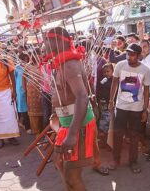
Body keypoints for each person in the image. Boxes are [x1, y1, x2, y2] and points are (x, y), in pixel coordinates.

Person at [44, 27, 96, 191]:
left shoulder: (69, 65)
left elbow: (82, 96)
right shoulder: (61, 63)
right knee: (59, 162)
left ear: (58, 41)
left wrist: (73, 134)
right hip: (67, 122)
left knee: (72, 176)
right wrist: (55, 113)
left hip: (78, 125)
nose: (44, 43)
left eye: (47, 39)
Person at [108, 43, 150, 173]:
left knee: (134, 135)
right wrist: (111, 101)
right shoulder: (120, 65)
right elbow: (114, 84)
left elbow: (146, 91)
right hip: (121, 107)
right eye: (127, 54)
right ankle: (116, 160)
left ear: (138, 56)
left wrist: (145, 110)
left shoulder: (145, 70)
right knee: (118, 134)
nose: (128, 57)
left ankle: (133, 161)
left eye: (132, 55)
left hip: (136, 108)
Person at [25, 50, 43, 136]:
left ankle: (42, 131)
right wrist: (25, 89)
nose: (38, 56)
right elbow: (23, 78)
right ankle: (36, 131)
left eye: (39, 54)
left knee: (42, 111)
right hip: (31, 91)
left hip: (41, 90)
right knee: (33, 111)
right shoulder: (28, 66)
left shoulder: (43, 64)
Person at [96, 63, 114, 149]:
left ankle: (109, 144)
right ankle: (103, 142)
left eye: (108, 71)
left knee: (108, 123)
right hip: (102, 105)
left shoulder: (114, 81)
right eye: (104, 72)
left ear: (112, 71)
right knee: (102, 124)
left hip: (110, 105)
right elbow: (99, 90)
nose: (106, 73)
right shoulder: (103, 80)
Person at [15, 53, 31, 133]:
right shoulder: (17, 68)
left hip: (29, 89)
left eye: (27, 59)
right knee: (23, 107)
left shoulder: (29, 67)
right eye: (24, 59)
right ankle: (27, 127)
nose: (25, 61)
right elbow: (14, 80)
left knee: (29, 107)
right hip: (20, 90)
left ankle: (24, 123)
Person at [40, 45, 52, 129]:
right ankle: (46, 135)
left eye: (44, 51)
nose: (43, 54)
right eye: (42, 52)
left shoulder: (54, 63)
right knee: (46, 114)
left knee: (54, 115)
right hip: (45, 92)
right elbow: (41, 80)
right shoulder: (42, 65)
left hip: (55, 93)